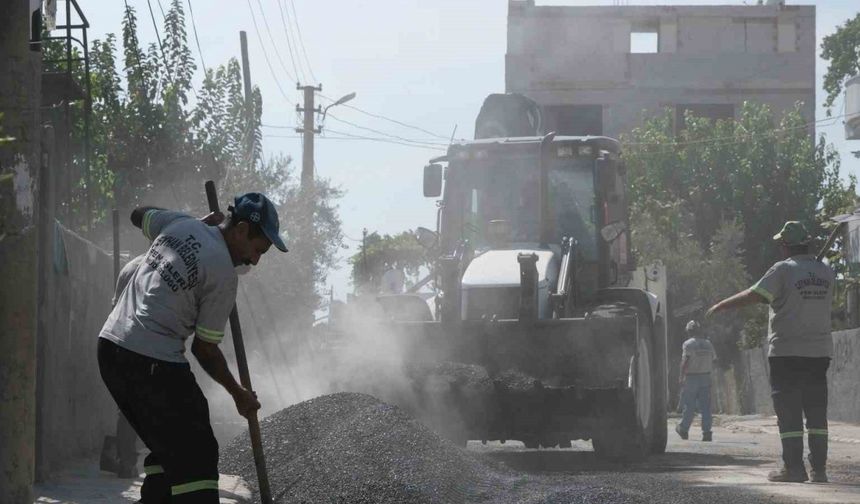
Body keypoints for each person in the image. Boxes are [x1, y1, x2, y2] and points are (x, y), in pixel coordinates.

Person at [97, 192, 288, 503]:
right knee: (197, 454)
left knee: (169, 450)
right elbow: (205, 350)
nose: (255, 260)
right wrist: (238, 393)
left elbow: (138, 213)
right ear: (240, 230)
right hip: (151, 361)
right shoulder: (224, 274)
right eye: (258, 250)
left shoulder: (179, 224)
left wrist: (190, 223)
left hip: (110, 350)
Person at [706, 221, 834, 483]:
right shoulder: (826, 272)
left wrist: (721, 305)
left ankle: (794, 469)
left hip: (787, 353)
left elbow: (755, 294)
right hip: (819, 353)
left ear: (785, 246)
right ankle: (819, 470)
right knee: (817, 412)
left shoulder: (783, 270)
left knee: (789, 412)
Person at [99, 254, 145, 478]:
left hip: (117, 340)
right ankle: (126, 461)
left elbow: (115, 305)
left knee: (127, 406)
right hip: (139, 344)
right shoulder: (150, 268)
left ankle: (125, 458)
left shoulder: (130, 266)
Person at [675, 320, 717, 442]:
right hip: (705, 377)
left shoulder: (688, 344)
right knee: (706, 407)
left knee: (689, 405)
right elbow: (714, 360)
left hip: (691, 378)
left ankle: (683, 429)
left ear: (689, 331)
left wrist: (681, 376)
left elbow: (685, 362)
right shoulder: (709, 344)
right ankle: (707, 433)